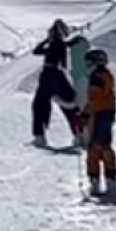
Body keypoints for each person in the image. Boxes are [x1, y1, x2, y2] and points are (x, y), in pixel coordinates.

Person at [30, 19, 82, 147]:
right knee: (69, 105)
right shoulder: (59, 44)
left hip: (48, 76)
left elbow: (37, 51)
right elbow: (36, 51)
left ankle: (39, 136)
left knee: (39, 105)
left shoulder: (57, 44)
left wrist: (48, 40)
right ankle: (78, 134)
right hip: (56, 76)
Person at [79, 49, 116, 196]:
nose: (87, 66)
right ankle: (110, 180)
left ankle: (95, 182)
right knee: (105, 147)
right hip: (107, 112)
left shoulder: (97, 78)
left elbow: (94, 98)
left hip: (99, 114)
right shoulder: (106, 75)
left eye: (89, 63)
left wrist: (85, 114)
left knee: (95, 148)